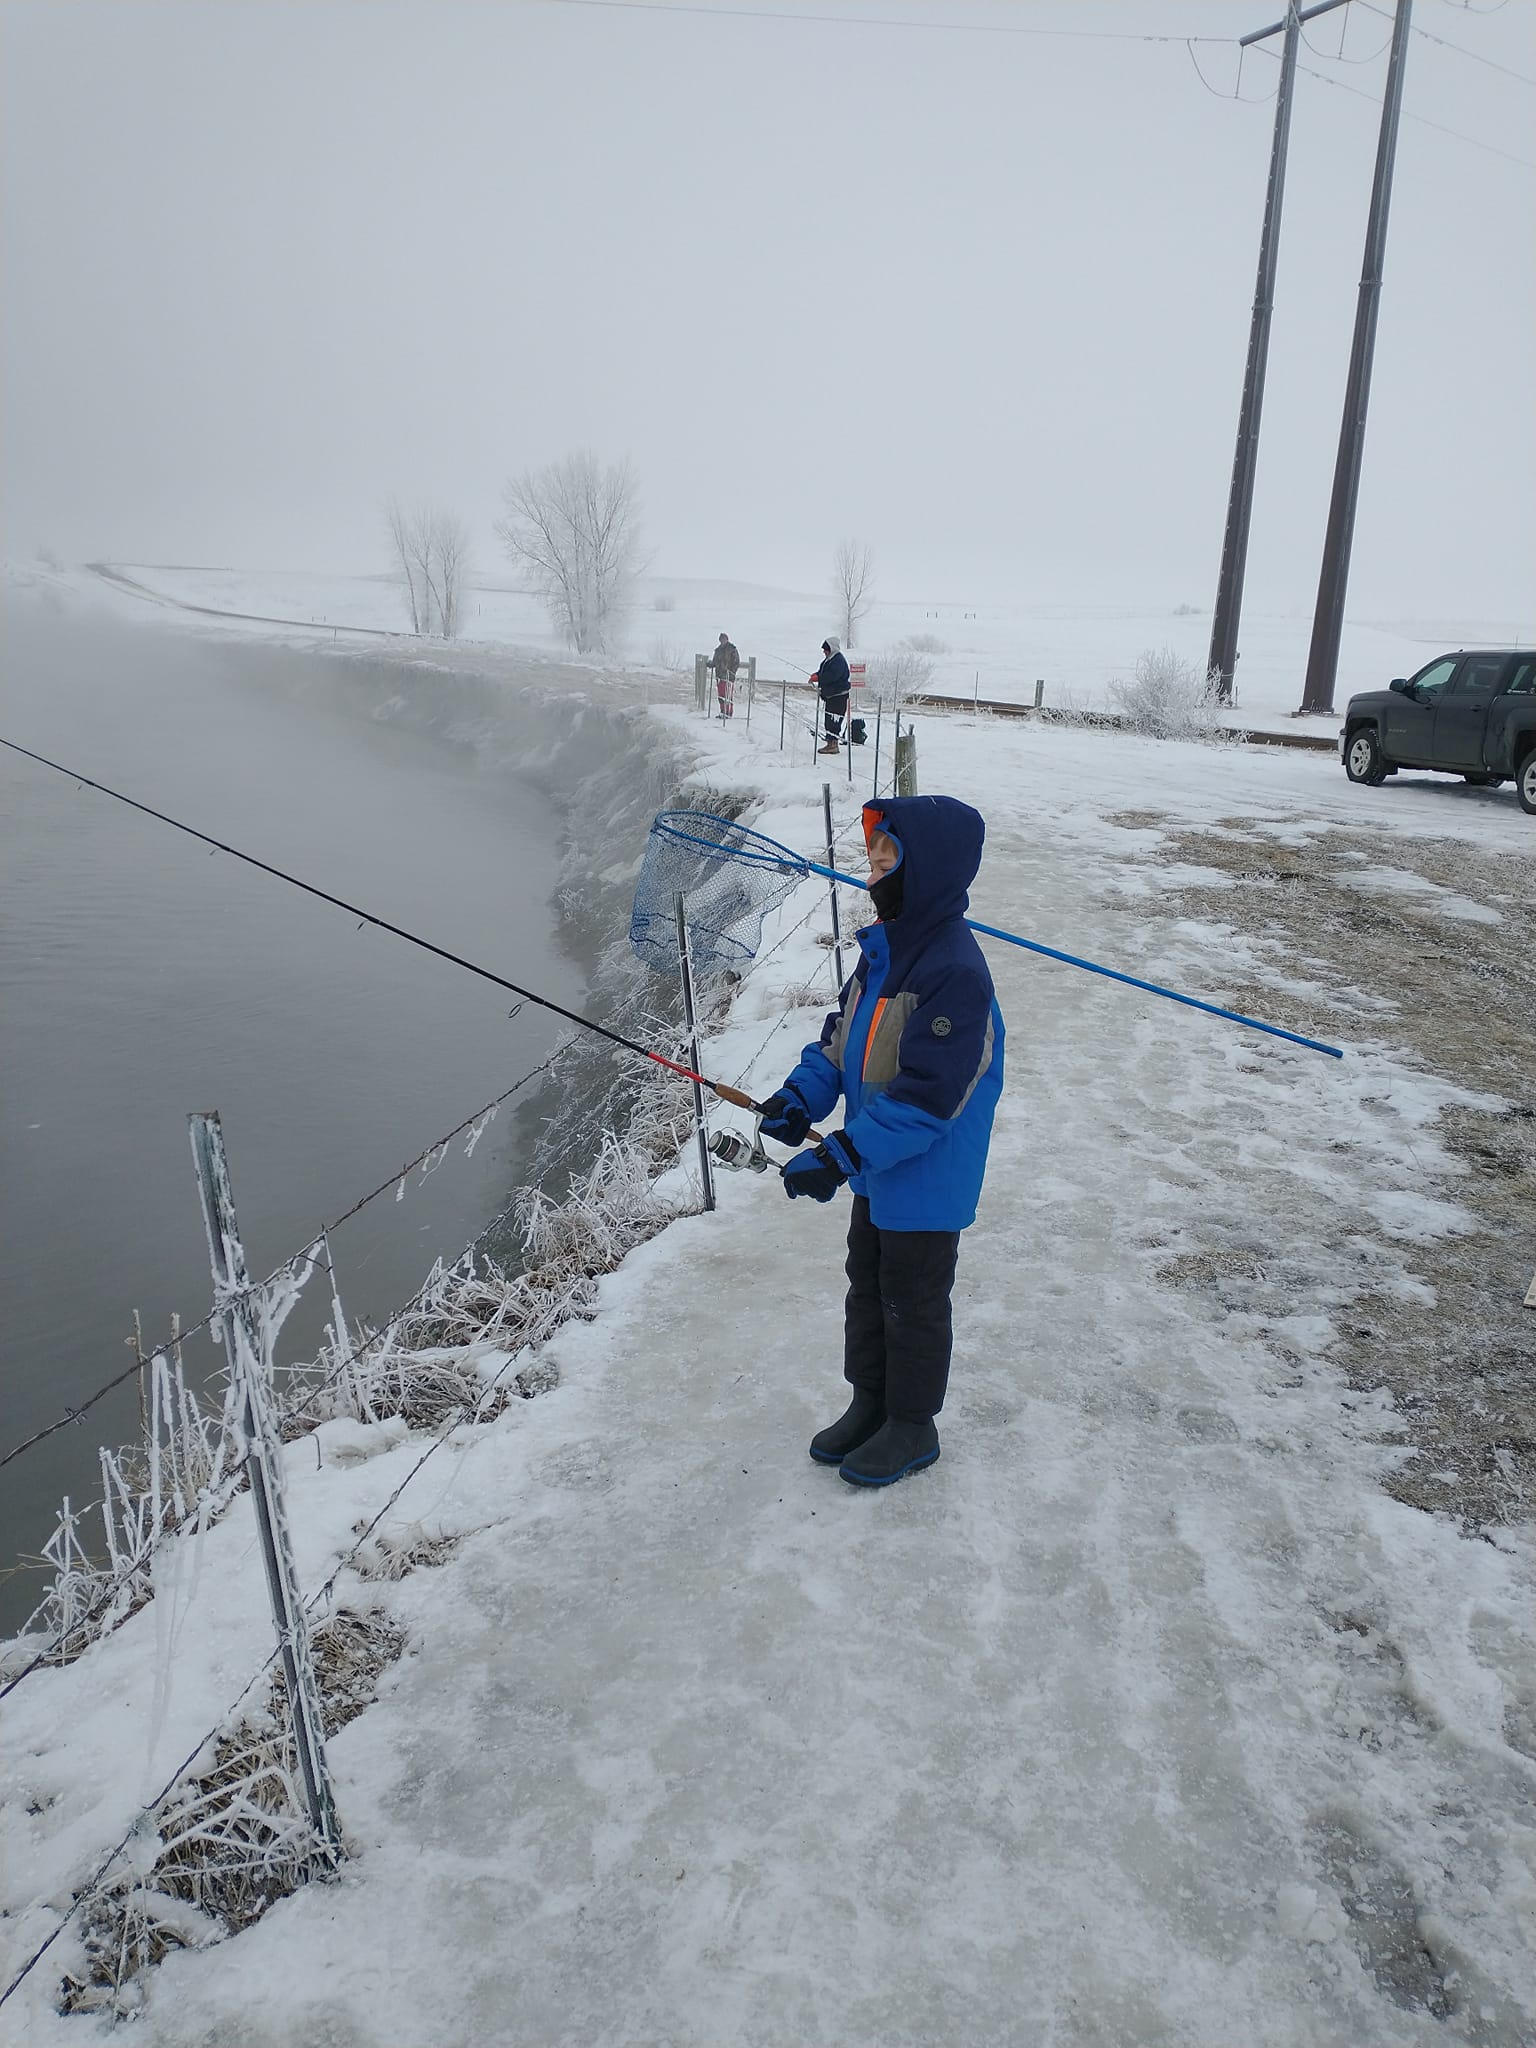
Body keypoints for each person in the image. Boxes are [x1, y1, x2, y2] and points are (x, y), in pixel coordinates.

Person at [757, 794, 1005, 1486]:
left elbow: (929, 1099)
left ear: (927, 871)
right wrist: (799, 1097)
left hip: (925, 1179)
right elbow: (841, 1042)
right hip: (878, 1171)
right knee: (866, 1287)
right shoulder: (882, 954)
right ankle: (871, 1402)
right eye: (872, 860)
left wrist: (841, 1155)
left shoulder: (955, 973)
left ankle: (912, 1424)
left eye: (888, 860)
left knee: (912, 1300)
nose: (875, 873)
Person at [815, 636, 850, 755]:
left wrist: (819, 677)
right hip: (832, 696)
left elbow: (832, 676)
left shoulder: (838, 661)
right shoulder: (830, 660)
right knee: (829, 720)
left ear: (832, 649)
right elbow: (824, 672)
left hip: (838, 696)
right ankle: (830, 743)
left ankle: (833, 744)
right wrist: (817, 675)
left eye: (826, 650)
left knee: (834, 720)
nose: (824, 652)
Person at [711, 634, 740, 719]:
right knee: (721, 695)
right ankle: (722, 711)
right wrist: (711, 664)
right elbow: (715, 661)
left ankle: (728, 713)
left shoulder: (732, 649)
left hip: (728, 677)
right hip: (719, 676)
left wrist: (731, 672)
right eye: (721, 639)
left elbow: (736, 662)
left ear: (727, 639)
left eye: (724, 639)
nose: (722, 641)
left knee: (728, 695)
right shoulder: (718, 650)